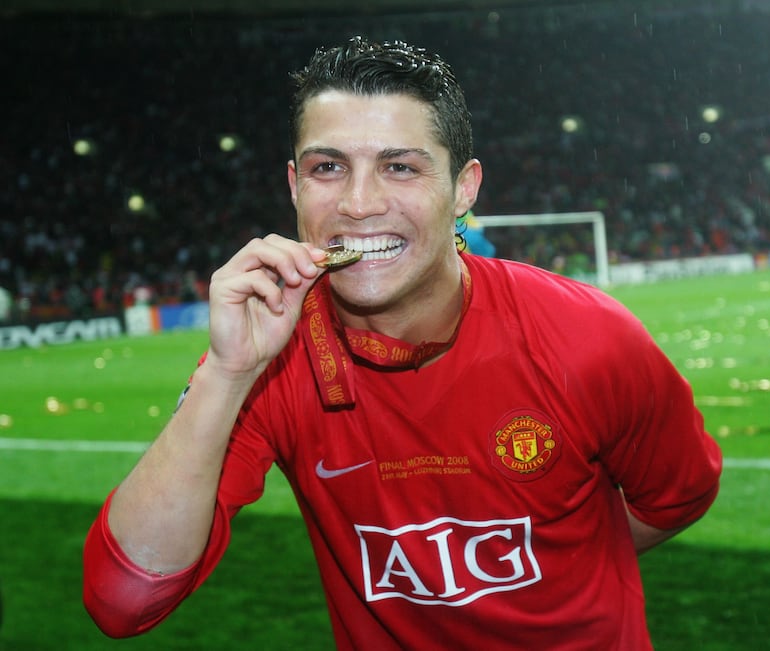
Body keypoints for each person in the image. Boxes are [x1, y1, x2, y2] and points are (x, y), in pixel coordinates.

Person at [83, 37, 722, 650]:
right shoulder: (269, 356)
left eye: (400, 166)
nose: (359, 203)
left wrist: (567, 556)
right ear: (294, 186)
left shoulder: (589, 337)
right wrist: (226, 373)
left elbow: (679, 494)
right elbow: (123, 601)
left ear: (464, 188)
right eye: (328, 167)